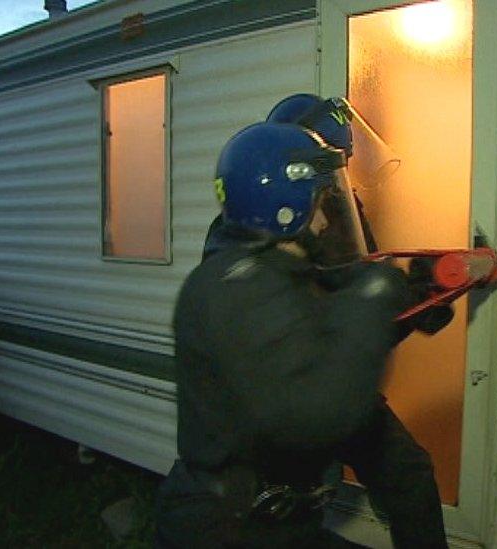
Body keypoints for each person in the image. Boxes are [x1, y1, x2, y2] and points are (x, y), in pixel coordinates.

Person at [155, 119, 448, 548]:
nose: (331, 208)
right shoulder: (232, 284)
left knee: (409, 472)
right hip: (227, 532)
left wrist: (415, 300)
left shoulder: (286, 267)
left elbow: (335, 340)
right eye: (324, 195)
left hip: (284, 523)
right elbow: (315, 407)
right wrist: (376, 291)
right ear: (286, 201)